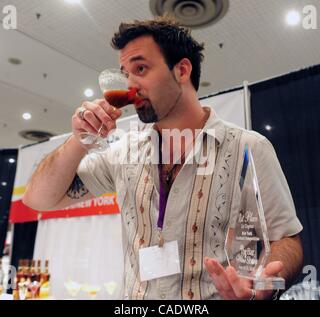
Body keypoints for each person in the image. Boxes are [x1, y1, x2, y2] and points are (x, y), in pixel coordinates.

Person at [23, 16, 303, 300]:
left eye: (140, 68)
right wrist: (80, 139)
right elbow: (38, 199)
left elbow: (286, 239)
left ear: (181, 70)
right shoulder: (124, 153)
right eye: (125, 74)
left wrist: (263, 283)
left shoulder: (248, 148)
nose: (130, 86)